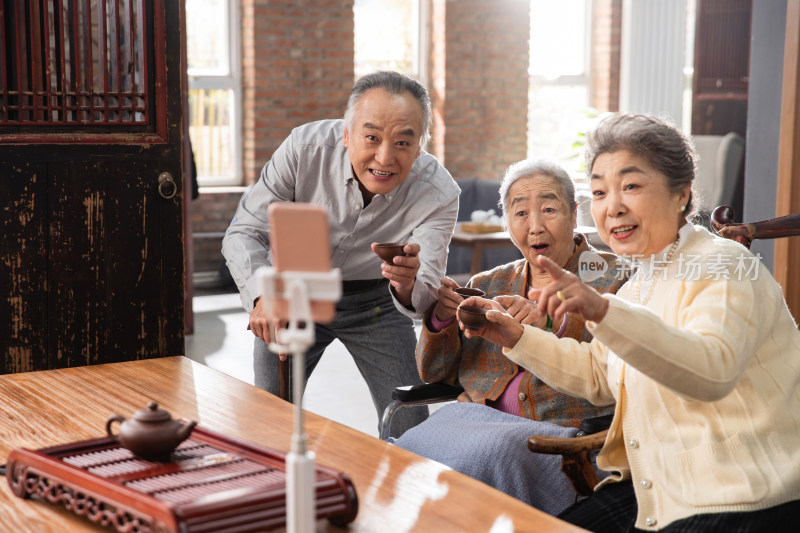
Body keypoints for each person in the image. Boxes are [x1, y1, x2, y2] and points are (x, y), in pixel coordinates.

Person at [462, 113, 800, 532]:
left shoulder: (724, 264)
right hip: (655, 486)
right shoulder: (640, 283)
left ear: (682, 192)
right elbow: (599, 375)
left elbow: (713, 371)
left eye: (631, 186)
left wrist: (602, 310)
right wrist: (517, 336)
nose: (613, 206)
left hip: (741, 494)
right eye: (600, 191)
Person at [222, 71, 460, 437]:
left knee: (409, 422)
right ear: (347, 134)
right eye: (371, 137)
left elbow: (427, 289)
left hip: (377, 303)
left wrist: (408, 285)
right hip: (293, 292)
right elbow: (244, 231)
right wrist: (262, 293)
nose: (385, 156)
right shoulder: (304, 149)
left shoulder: (439, 192)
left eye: (402, 142)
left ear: (420, 146)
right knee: (269, 420)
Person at [393, 158, 627, 515]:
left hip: (561, 436)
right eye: (520, 213)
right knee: (404, 455)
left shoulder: (616, 279)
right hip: (474, 423)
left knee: (483, 461)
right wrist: (441, 319)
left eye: (549, 209)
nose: (535, 226)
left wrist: (546, 327)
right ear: (506, 222)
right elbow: (435, 374)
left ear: (574, 214)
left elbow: (614, 372)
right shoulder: (488, 284)